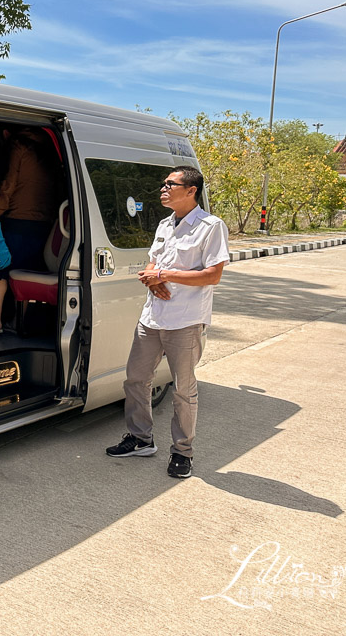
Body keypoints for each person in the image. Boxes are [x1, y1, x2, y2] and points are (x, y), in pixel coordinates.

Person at [106, 166, 230, 479]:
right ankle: (140, 438)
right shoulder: (164, 224)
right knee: (136, 378)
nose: (163, 188)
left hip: (186, 321)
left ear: (191, 190)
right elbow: (153, 261)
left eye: (170, 184)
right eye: (163, 184)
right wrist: (151, 278)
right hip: (153, 317)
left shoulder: (210, 226)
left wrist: (164, 275)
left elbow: (212, 274)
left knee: (183, 391)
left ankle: (182, 452)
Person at [0, 129, 59, 333]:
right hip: (44, 221)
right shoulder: (51, 148)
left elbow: (9, 182)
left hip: (17, 218)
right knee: (26, 272)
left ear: (4, 132)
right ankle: (18, 321)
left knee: (0, 268)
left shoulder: (18, 145)